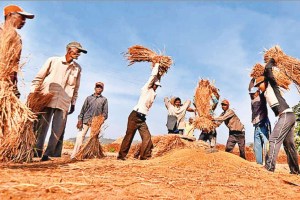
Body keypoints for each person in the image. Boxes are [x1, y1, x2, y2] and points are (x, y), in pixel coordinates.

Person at [31, 41, 87, 161]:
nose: (79, 54)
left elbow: (76, 88)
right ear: (69, 50)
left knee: (58, 129)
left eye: (80, 52)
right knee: (41, 126)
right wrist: (33, 93)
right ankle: (36, 152)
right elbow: (39, 78)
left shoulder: (77, 68)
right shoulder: (53, 61)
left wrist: (73, 103)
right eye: (77, 51)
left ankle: (48, 154)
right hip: (46, 98)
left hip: (64, 101)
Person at [255, 58, 299, 174]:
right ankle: (295, 171)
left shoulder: (271, 86)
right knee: (289, 144)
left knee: (274, 139)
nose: (258, 87)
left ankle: (269, 167)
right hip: (288, 116)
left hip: (286, 115)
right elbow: (251, 87)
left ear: (264, 82)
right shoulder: (264, 94)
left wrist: (272, 60)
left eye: (259, 85)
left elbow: (268, 70)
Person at [117, 63, 161, 160]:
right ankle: (121, 156)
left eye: (157, 86)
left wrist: (160, 73)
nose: (156, 87)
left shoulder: (154, 94)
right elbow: (152, 76)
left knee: (147, 137)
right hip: (134, 116)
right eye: (155, 85)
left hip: (142, 119)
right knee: (129, 136)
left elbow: (157, 77)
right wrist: (157, 65)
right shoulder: (146, 89)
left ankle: (144, 156)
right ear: (152, 83)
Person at [1, 5, 34, 98]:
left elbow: (15, 64)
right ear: (10, 15)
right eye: (22, 17)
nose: (24, 21)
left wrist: (14, 86)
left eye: (25, 19)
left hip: (6, 85)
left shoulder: (17, 39)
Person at [71, 82, 108, 159]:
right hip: (86, 120)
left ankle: (91, 155)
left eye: (100, 87)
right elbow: (83, 110)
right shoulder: (88, 98)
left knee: (93, 139)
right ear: (94, 88)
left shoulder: (104, 100)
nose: (99, 88)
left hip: (96, 123)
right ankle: (75, 155)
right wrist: (79, 120)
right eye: (97, 87)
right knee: (80, 136)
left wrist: (100, 121)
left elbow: (105, 113)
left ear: (102, 89)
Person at [248, 84, 271, 165]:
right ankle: (259, 164)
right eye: (250, 94)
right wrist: (253, 78)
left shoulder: (262, 97)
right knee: (257, 146)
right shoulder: (252, 100)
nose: (252, 95)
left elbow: (265, 88)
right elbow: (250, 87)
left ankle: (269, 163)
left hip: (263, 123)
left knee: (267, 143)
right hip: (256, 126)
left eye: (253, 93)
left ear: (258, 92)